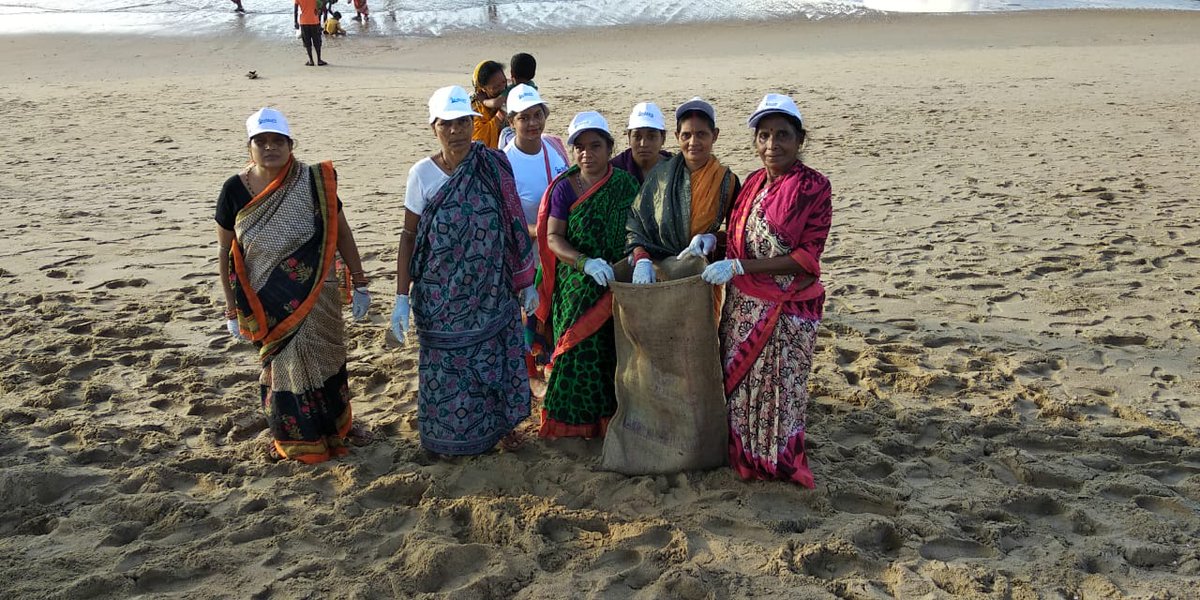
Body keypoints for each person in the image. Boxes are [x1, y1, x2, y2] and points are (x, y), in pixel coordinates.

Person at [390, 86, 540, 456]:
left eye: (463, 123)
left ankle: (500, 429)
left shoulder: (492, 164)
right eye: (447, 124)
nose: (457, 131)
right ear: (434, 127)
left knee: (495, 362)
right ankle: (445, 440)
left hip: (493, 290)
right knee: (445, 372)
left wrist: (526, 280)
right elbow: (410, 237)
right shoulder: (422, 175)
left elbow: (513, 221)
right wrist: (400, 297)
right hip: (440, 296)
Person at [216, 107, 371, 463]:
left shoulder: (314, 181)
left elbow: (341, 231)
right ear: (249, 147)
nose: (270, 147)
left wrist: (360, 280)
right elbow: (226, 251)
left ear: (290, 144)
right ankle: (289, 436)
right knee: (281, 369)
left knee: (327, 358)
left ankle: (339, 428)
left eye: (277, 141)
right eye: (261, 141)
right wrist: (230, 308)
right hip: (266, 298)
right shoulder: (234, 190)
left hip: (318, 292)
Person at [701, 94, 832, 488]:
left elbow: (807, 258)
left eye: (782, 136)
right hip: (743, 306)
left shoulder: (813, 187)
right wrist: (712, 241)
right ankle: (745, 456)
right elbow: (740, 235)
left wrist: (743, 266)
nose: (772, 145)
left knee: (780, 389)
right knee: (742, 386)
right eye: (764, 136)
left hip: (785, 309)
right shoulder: (754, 182)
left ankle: (776, 462)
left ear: (799, 139)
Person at [534, 112, 639, 438]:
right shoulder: (565, 188)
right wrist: (585, 263)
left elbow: (637, 230)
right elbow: (553, 238)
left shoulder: (624, 184)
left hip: (618, 275)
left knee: (610, 352)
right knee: (575, 349)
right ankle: (568, 422)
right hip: (576, 276)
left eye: (595, 146)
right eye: (579, 147)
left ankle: (608, 421)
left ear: (609, 148)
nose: (586, 153)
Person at [627, 97, 740, 283]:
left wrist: (712, 239)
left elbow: (737, 234)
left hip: (703, 275)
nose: (693, 142)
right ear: (677, 136)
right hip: (657, 273)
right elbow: (636, 223)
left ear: (715, 135)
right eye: (686, 135)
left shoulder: (727, 181)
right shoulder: (660, 176)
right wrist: (641, 258)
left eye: (702, 134)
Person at [610, 102, 672, 186]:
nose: (643, 144)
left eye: (651, 136)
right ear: (629, 137)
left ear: (663, 138)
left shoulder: (675, 169)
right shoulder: (614, 171)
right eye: (637, 136)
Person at [497, 53, 538, 148]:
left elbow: (497, 102)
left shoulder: (512, 90)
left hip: (514, 125)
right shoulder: (532, 87)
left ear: (512, 73)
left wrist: (484, 101)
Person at [471, 60, 508, 149]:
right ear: (483, 88)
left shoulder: (511, 93)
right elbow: (477, 138)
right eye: (495, 87)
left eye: (503, 82)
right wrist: (499, 117)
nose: (502, 88)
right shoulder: (472, 107)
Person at [294, 0, 327, 66]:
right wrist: (319, 9)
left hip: (304, 22)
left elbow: (295, 10)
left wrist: (295, 21)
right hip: (314, 21)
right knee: (317, 41)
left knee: (307, 42)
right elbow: (323, 2)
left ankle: (311, 60)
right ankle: (319, 60)